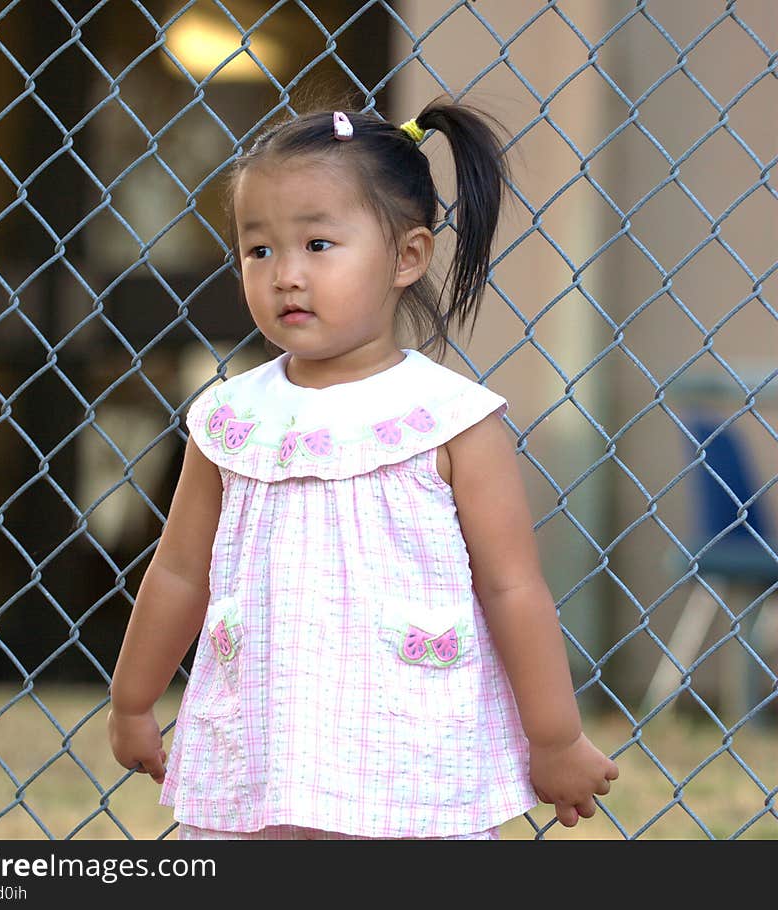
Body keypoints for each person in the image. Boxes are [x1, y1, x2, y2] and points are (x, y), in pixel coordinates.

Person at [108, 97, 619, 840]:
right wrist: (132, 700)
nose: (285, 275)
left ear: (407, 256)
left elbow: (512, 587)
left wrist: (555, 737)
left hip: (406, 760)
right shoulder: (229, 420)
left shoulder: (452, 419)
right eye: (259, 250)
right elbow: (180, 570)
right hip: (259, 758)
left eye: (317, 245)